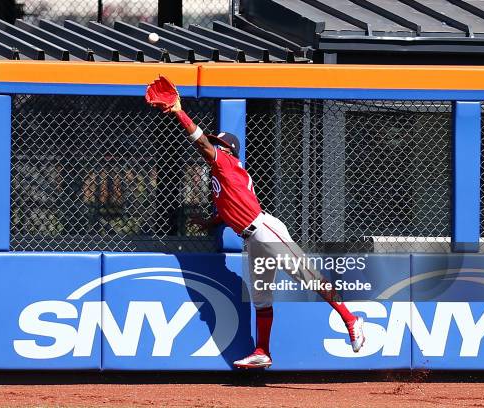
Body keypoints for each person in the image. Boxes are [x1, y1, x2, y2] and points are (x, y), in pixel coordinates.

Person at [147, 86, 365, 369]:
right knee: (261, 297)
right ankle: (263, 351)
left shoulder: (226, 162)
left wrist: (180, 113)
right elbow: (228, 210)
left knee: (308, 277)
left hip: (264, 229)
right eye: (215, 143)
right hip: (251, 240)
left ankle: (350, 319)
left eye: (218, 144)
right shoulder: (223, 176)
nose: (214, 146)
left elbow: (201, 143)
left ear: (228, 150)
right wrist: (210, 221)